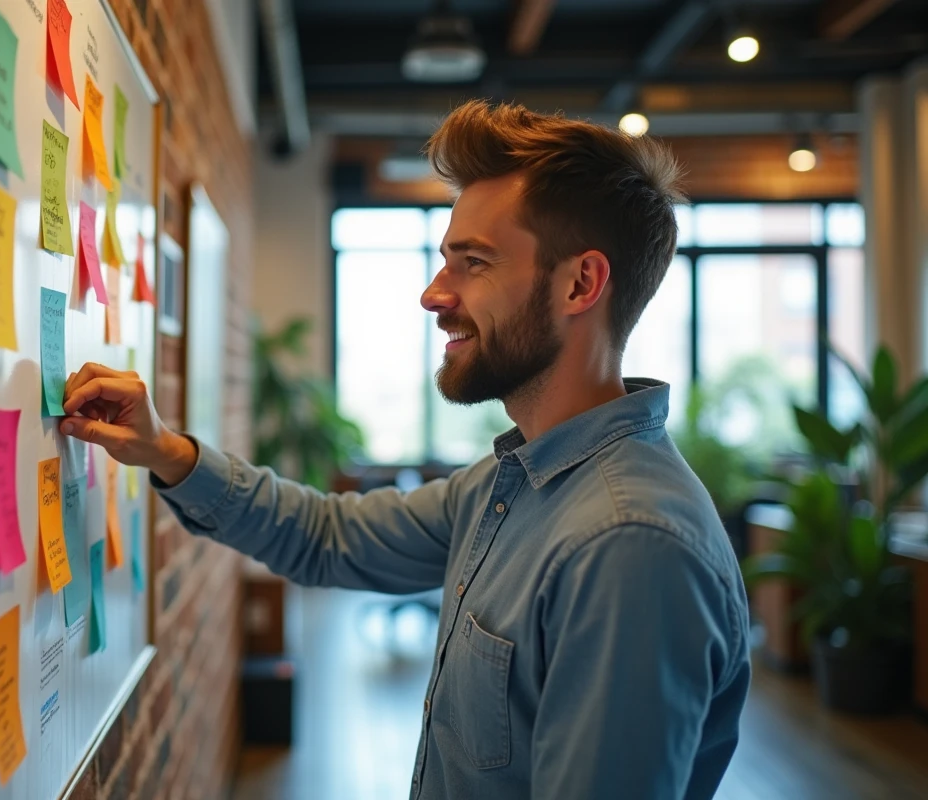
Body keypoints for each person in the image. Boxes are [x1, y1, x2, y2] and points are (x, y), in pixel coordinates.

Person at [60, 100, 751, 799]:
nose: (432, 294)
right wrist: (165, 450)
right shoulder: (508, 484)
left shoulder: (627, 543)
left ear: (580, 284)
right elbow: (328, 537)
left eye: (472, 263)